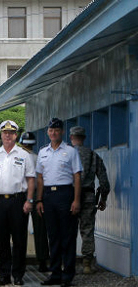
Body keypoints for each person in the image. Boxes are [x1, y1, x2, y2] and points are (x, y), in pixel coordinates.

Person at [0, 121, 36, 286]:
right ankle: (4, 275)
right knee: (1, 240)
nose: (8, 135)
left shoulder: (24, 155)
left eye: (11, 133)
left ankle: (18, 275)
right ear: (1, 134)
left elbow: (31, 180)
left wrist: (29, 200)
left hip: (18, 201)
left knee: (19, 239)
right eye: (5, 132)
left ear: (16, 135)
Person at [36, 118, 82, 287]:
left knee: (67, 236)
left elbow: (77, 176)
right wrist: (39, 199)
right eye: (51, 130)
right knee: (53, 236)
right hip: (48, 196)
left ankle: (68, 275)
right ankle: (55, 273)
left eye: (56, 130)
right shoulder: (43, 152)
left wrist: (76, 200)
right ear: (48, 132)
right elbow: (40, 178)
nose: (53, 133)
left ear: (62, 132)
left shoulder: (71, 151)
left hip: (65, 194)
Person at [69, 126, 111, 274]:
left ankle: (67, 263)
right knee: (87, 230)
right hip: (88, 197)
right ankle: (87, 263)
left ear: (71, 137)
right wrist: (103, 198)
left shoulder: (66, 155)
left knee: (68, 230)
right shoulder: (94, 156)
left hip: (69, 197)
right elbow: (104, 182)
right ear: (84, 138)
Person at [19, 132, 50, 272]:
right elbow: (41, 179)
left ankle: (20, 261)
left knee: (19, 228)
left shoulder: (19, 157)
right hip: (38, 194)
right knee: (40, 230)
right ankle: (42, 261)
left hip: (21, 194)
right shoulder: (39, 157)